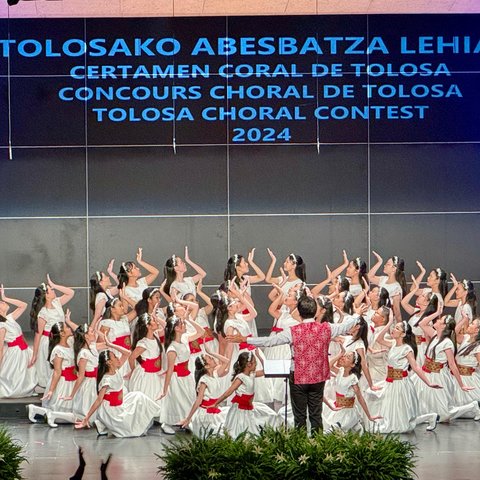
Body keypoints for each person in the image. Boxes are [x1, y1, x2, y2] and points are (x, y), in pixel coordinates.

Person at [227, 294, 360, 433]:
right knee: (316, 415)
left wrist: (245, 340)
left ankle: (299, 446)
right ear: (314, 312)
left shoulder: (293, 331)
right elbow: (346, 325)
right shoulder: (326, 328)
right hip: (318, 377)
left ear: (299, 313)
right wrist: (357, 314)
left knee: (299, 416)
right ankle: (317, 446)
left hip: (298, 377)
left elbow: (269, 341)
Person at [75, 338, 161, 437]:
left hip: (119, 403)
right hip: (111, 409)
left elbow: (127, 353)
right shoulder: (106, 380)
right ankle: (103, 421)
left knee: (138, 396)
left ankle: (156, 412)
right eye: (115, 357)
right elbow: (99, 400)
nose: (117, 358)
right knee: (131, 431)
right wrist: (86, 418)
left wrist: (111, 345)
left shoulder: (116, 369)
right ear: (109, 362)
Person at [213, 351, 280, 438]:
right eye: (255, 363)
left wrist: (259, 356)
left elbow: (266, 371)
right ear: (249, 364)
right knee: (239, 429)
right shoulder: (240, 377)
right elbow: (228, 392)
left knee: (253, 426)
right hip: (240, 409)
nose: (256, 365)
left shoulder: (252, 374)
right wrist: (216, 403)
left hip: (249, 406)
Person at [29, 275, 75, 387]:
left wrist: (54, 285)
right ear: (47, 296)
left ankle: (63, 386)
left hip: (64, 338)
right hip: (50, 341)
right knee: (53, 366)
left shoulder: (57, 302)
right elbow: (38, 334)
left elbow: (71, 292)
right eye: (51, 290)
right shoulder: (43, 313)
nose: (54, 290)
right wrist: (35, 354)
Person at [0, 285, 37, 398]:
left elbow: (23, 305)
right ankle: (15, 391)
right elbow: (0, 347)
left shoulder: (10, 318)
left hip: (23, 349)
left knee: (26, 372)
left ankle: (25, 390)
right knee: (16, 373)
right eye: (2, 303)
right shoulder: (1, 325)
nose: (4, 303)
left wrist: (5, 297)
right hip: (15, 352)